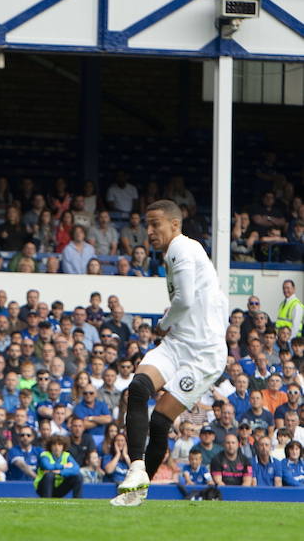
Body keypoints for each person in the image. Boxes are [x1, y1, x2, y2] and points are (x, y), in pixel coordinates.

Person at [111, 200, 230, 507]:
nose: (148, 231)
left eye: (155, 224)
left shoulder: (181, 248)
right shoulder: (179, 252)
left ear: (174, 225)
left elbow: (187, 300)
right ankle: (137, 469)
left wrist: (163, 322)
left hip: (203, 354)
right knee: (137, 388)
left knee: (161, 421)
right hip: (179, 343)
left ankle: (137, 494)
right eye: (146, 225)